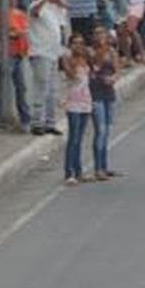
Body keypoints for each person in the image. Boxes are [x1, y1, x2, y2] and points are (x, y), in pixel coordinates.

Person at [28, 0, 68, 135]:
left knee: (52, 89)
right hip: (40, 52)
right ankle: (37, 121)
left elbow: (61, 27)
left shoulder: (55, 9)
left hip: (53, 53)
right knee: (41, 86)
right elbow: (35, 13)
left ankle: (50, 122)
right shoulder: (37, 5)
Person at [0, 0, 32, 130]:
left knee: (21, 86)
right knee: (4, 85)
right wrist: (12, 33)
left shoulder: (19, 13)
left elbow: (25, 30)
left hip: (18, 52)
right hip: (6, 52)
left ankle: (25, 117)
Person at [88, 25, 120, 180]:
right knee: (100, 130)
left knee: (106, 130)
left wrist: (113, 78)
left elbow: (116, 69)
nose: (100, 37)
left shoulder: (112, 52)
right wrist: (101, 52)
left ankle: (104, 166)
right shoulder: (91, 52)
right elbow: (94, 68)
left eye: (103, 33)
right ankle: (98, 167)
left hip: (109, 93)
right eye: (97, 34)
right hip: (96, 93)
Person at [62, 33, 92, 186]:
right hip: (73, 103)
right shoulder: (68, 59)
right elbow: (71, 75)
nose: (78, 46)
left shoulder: (87, 59)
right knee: (73, 138)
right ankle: (69, 172)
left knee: (79, 139)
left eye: (81, 43)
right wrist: (74, 59)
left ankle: (79, 171)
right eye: (75, 43)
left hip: (85, 102)